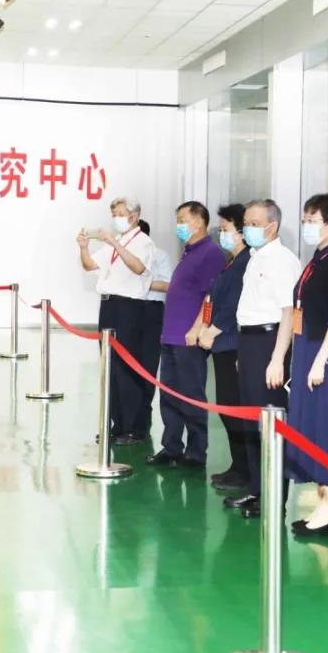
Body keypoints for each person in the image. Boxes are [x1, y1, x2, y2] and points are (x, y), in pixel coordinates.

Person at [223, 199, 301, 520]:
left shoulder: (283, 260)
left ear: (273, 226)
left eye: (255, 223)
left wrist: (278, 358)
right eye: (246, 223)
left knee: (271, 421)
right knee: (251, 420)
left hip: (270, 341)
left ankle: (274, 496)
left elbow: (288, 312)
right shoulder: (255, 258)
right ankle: (257, 488)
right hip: (249, 342)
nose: (248, 229)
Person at [283, 193, 328, 536]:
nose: (307, 226)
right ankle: (323, 505)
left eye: (313, 220)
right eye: (305, 220)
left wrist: (320, 361)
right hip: (307, 348)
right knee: (311, 427)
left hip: (325, 354)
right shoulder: (318, 258)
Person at [147, 202, 225, 468]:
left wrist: (197, 328)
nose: (178, 225)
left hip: (189, 339)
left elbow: (210, 297)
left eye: (182, 219)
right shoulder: (188, 252)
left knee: (191, 396)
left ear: (199, 222)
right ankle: (171, 447)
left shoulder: (211, 253)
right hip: (171, 336)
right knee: (169, 396)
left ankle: (196, 451)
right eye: (177, 219)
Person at [77, 198, 154, 444]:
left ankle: (133, 427)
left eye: (120, 213)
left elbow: (139, 268)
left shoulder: (143, 242)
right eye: (114, 214)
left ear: (134, 216)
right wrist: (84, 248)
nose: (116, 218)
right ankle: (117, 423)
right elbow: (90, 265)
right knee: (110, 366)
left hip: (129, 307)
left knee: (127, 368)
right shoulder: (115, 242)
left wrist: (114, 243)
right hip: (109, 305)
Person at [198, 204, 255, 490]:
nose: (221, 234)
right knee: (226, 407)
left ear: (241, 232)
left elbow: (234, 305)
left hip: (232, 343)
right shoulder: (231, 262)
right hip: (221, 344)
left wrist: (212, 330)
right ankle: (238, 465)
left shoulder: (246, 262)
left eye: (225, 229)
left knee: (235, 408)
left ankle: (246, 471)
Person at [136, 219, 173, 445]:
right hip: (128, 308)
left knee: (148, 361)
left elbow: (167, 285)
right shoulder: (119, 255)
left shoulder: (160, 255)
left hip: (151, 309)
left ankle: (144, 408)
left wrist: (139, 281)